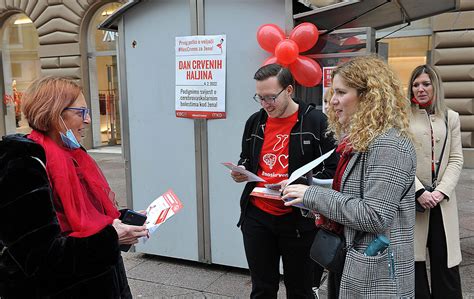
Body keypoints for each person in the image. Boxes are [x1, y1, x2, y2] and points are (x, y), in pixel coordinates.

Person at [0, 76, 148, 298]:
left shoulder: (75, 157)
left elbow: (87, 217)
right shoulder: (23, 166)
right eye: (81, 112)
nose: (88, 120)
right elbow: (41, 259)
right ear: (54, 113)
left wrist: (124, 219)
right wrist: (111, 238)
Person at [282, 56, 416, 298]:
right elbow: (350, 198)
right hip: (354, 264)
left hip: (377, 274)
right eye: (334, 92)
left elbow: (374, 216)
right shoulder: (362, 140)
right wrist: (301, 192)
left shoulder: (390, 145)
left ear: (369, 96)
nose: (333, 101)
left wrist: (313, 195)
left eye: (342, 92)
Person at [230, 63, 338, 298]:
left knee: (300, 290)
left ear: (289, 90)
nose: (266, 104)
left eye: (271, 97)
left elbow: (333, 169)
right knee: (262, 288)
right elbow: (247, 157)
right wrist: (242, 169)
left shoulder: (317, 122)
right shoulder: (254, 122)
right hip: (257, 216)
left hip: (299, 218)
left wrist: (301, 186)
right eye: (260, 98)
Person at [408, 65, 463, 298]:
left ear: (435, 86)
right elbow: (398, 159)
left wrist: (440, 191)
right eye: (416, 84)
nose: (420, 89)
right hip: (414, 202)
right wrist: (419, 191)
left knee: (446, 262)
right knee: (414, 264)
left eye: (426, 84)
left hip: (442, 202)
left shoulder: (451, 117)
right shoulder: (401, 117)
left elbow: (456, 158)